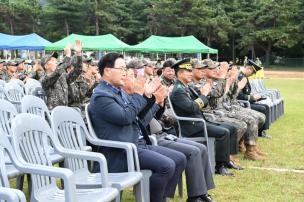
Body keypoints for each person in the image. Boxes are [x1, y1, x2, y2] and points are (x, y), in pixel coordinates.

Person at [88, 53, 187, 202]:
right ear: (107, 70)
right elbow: (125, 117)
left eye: (125, 69)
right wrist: (140, 94)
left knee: (179, 159)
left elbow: (137, 120)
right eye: (121, 68)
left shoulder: (116, 92)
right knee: (166, 166)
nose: (125, 72)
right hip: (121, 151)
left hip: (136, 144)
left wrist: (154, 101)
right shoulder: (102, 96)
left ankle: (159, 196)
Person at [125, 65, 215, 202]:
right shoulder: (130, 99)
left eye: (135, 76)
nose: (139, 80)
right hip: (152, 137)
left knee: (200, 148)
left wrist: (159, 102)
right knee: (192, 152)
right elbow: (141, 121)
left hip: (159, 133)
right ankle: (193, 196)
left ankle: (202, 192)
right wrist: (154, 101)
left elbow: (152, 117)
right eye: (131, 77)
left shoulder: (137, 97)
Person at [170, 58, 236, 176]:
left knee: (232, 128)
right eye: (188, 71)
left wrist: (204, 94)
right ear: (179, 73)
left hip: (200, 122)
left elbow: (202, 102)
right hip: (192, 127)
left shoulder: (186, 87)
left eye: (191, 71)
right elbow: (192, 107)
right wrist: (204, 95)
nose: (191, 74)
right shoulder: (178, 91)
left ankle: (227, 160)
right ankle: (220, 166)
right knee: (224, 133)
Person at [40, 40, 83, 110]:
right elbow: (57, 72)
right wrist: (67, 56)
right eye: (52, 60)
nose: (56, 61)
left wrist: (78, 54)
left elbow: (78, 71)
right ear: (46, 66)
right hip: (52, 114)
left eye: (55, 60)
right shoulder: (44, 79)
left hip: (64, 111)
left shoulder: (62, 76)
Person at [237, 59, 272, 139]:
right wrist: (252, 98)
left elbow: (246, 92)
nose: (253, 74)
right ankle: (260, 132)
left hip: (247, 102)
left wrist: (255, 97)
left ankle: (262, 131)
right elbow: (239, 95)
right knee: (262, 108)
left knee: (265, 106)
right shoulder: (240, 77)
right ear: (249, 69)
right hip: (242, 103)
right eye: (253, 72)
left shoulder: (244, 76)